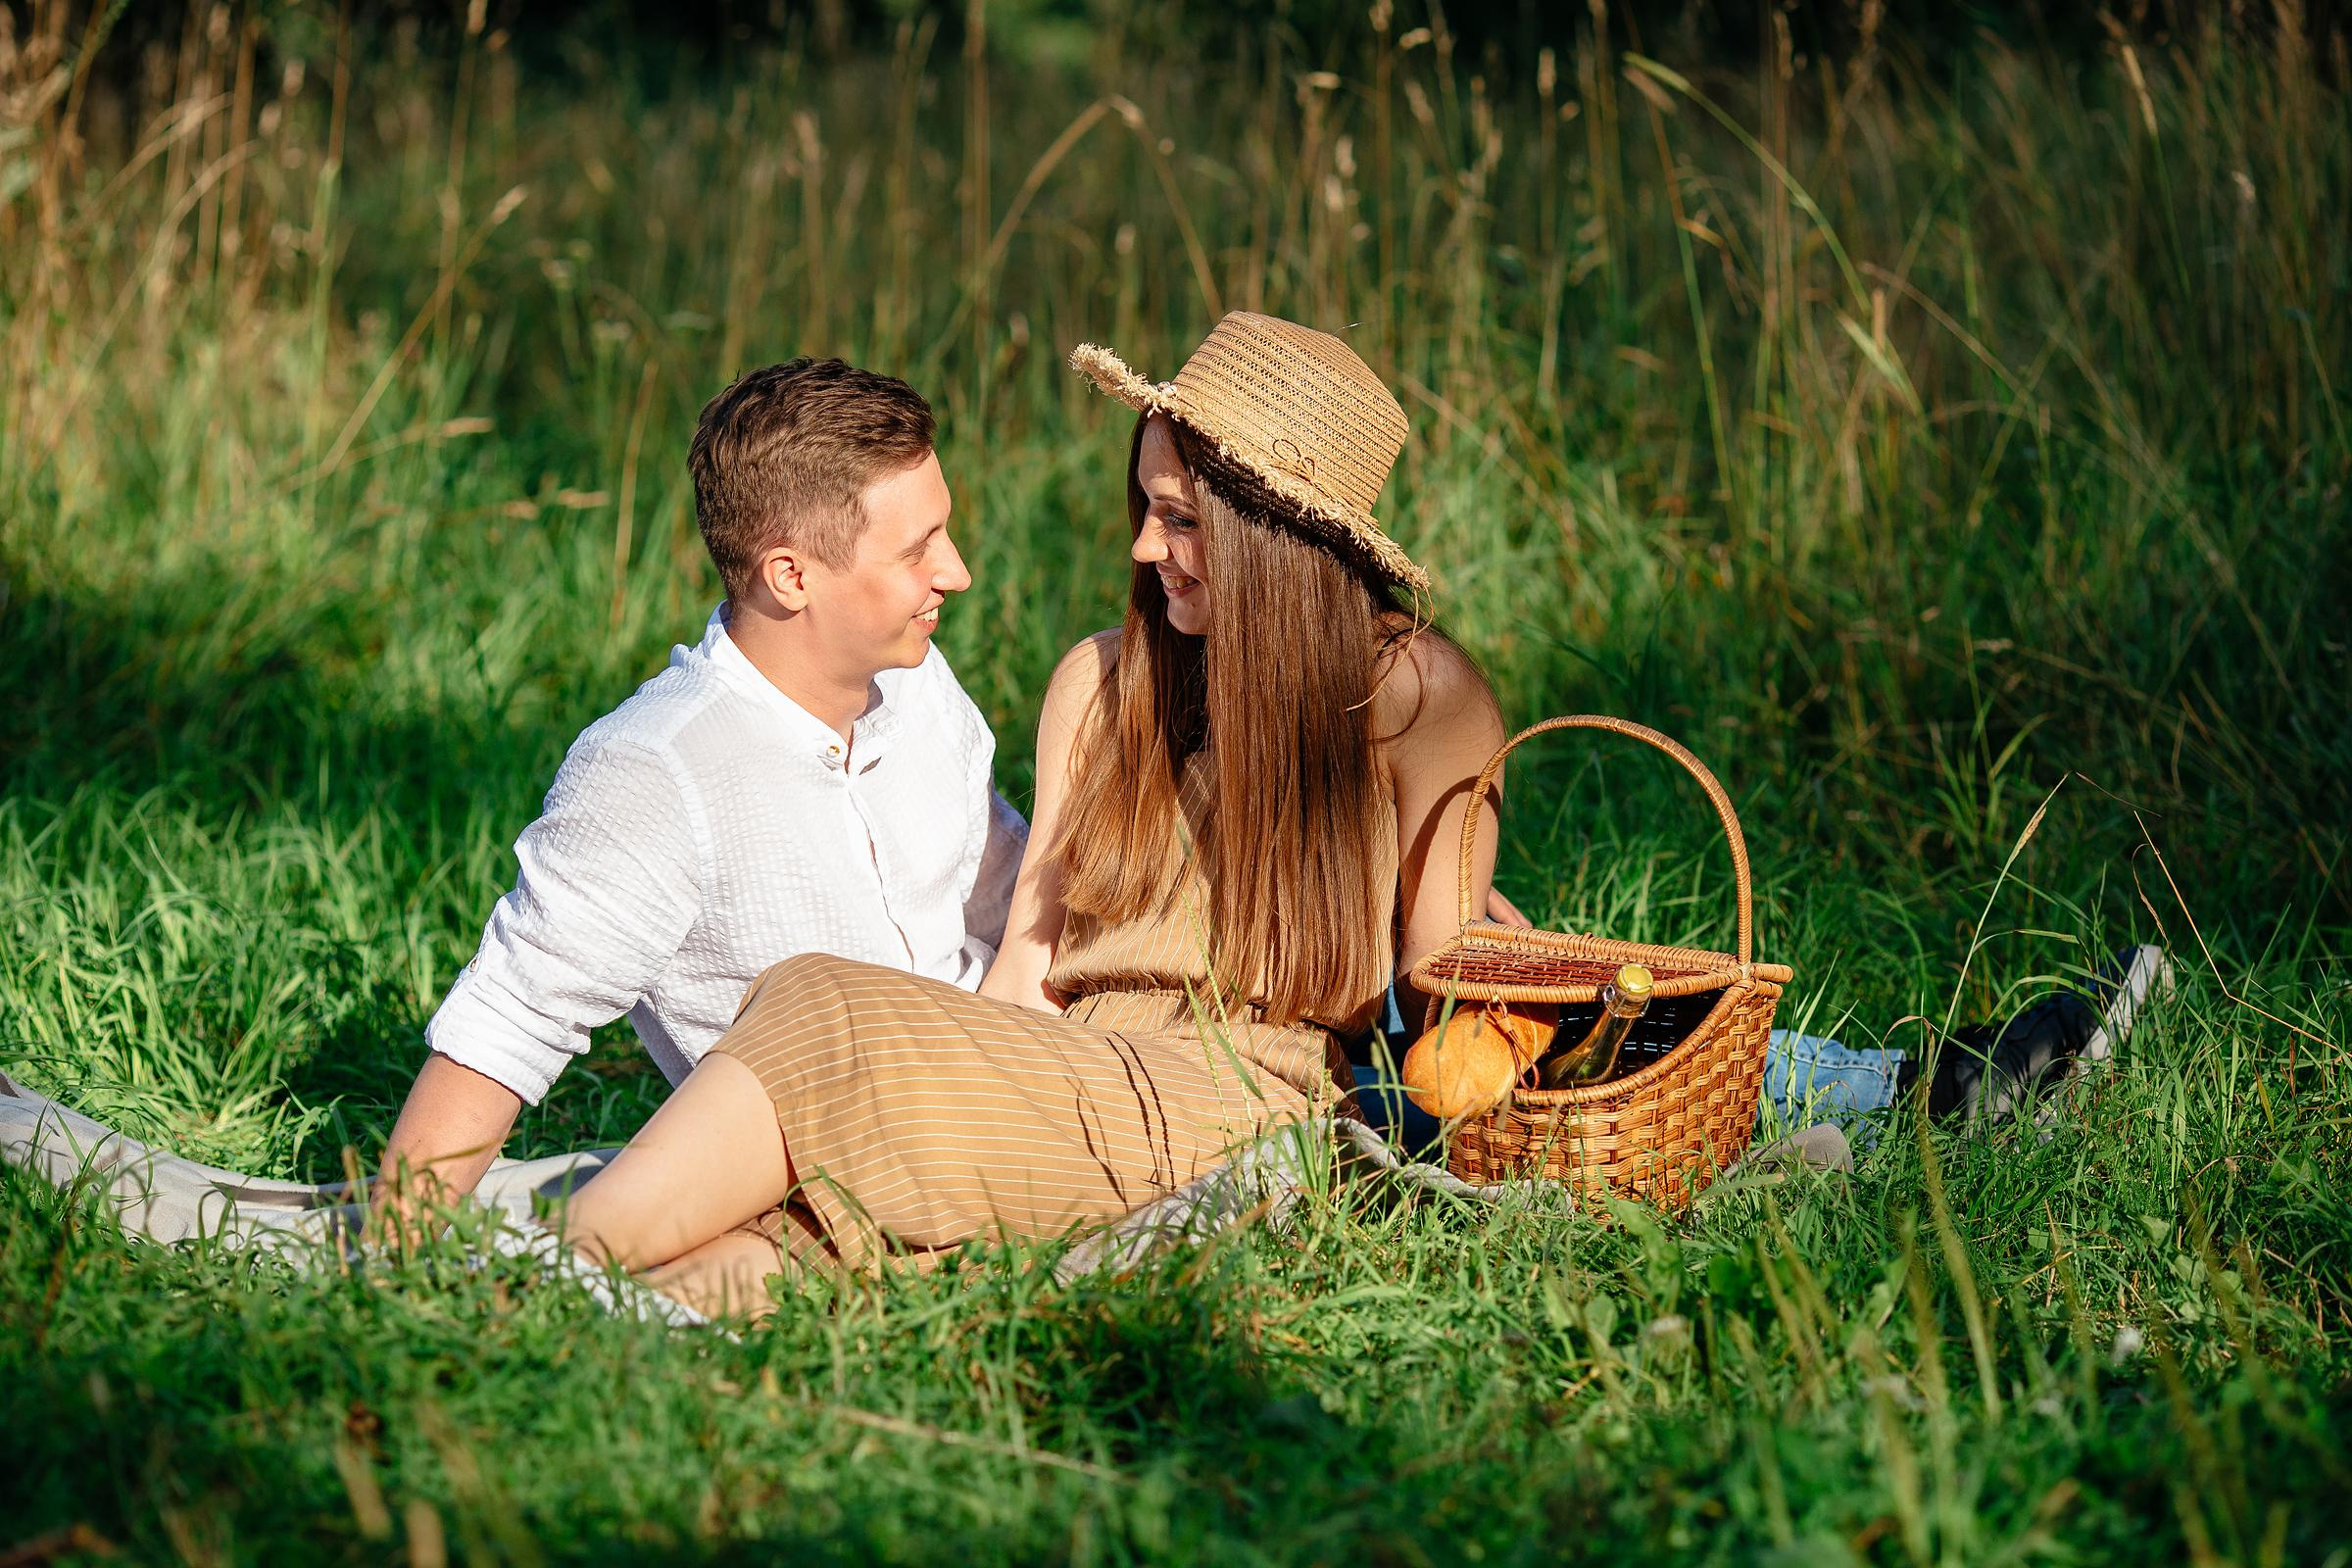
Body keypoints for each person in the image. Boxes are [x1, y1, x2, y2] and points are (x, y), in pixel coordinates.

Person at [555, 313, 1510, 1316]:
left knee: (818, 1002)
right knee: (806, 1230)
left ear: (1273, 534)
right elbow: (1028, 972)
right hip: (1077, 1080)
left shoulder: (1414, 698)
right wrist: (951, 1080)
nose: (1145, 546)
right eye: (1146, 508)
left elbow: (1439, 992)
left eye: (1181, 518)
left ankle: (551, 1257)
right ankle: (533, 1316)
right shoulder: (1100, 686)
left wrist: (1507, 971)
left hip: (1248, 1100)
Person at [373, 358, 1026, 1225]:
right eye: (917, 550)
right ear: (791, 576)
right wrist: (400, 1238)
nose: (958, 571)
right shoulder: (657, 768)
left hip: (1014, 1084)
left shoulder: (919, 683)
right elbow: (516, 1010)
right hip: (846, 1174)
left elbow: (1004, 892)